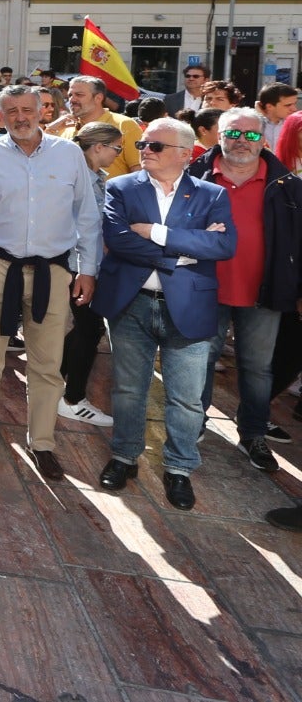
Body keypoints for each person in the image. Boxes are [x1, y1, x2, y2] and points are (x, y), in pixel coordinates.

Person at [0, 85, 102, 481]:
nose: (20, 117)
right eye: (11, 111)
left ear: (41, 112)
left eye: (27, 109)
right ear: (0, 117)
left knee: (47, 362)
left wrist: (87, 269)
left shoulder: (68, 154)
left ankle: (43, 442)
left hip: (53, 269)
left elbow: (86, 214)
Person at [94, 119, 236, 511]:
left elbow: (224, 245)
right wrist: (187, 252)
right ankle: (124, 457)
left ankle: (179, 468)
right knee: (127, 390)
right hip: (132, 302)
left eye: (155, 146)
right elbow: (117, 239)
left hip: (189, 306)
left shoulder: (211, 194)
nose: (145, 150)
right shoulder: (122, 187)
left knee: (187, 398)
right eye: (142, 143)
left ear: (184, 154)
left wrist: (156, 234)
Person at [188, 106, 302, 471]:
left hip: (263, 292)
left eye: (251, 135)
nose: (242, 141)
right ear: (217, 136)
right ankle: (193, 425)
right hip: (203, 288)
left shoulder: (288, 186)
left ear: (264, 140)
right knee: (199, 361)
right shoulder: (193, 176)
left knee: (258, 367)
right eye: (233, 133)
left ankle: (252, 433)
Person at [58, 122, 125, 427]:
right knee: (89, 328)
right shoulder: (82, 178)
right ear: (99, 147)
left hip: (80, 262)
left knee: (84, 327)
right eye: (117, 148)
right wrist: (87, 269)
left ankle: (54, 384)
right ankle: (72, 398)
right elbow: (82, 227)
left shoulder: (93, 177)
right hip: (77, 264)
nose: (118, 155)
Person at [52, 76, 142, 179]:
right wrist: (50, 129)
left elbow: (138, 172)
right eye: (70, 95)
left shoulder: (125, 125)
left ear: (98, 98)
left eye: (79, 95)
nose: (72, 100)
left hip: (111, 194)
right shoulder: (64, 128)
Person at [258, 83, 298, 149]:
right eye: (288, 105)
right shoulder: (253, 125)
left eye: (294, 104)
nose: (294, 109)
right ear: (269, 106)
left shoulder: (296, 126)